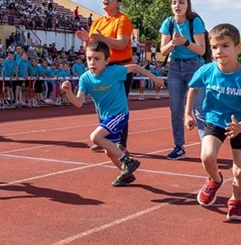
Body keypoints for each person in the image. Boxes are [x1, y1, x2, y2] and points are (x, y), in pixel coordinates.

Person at [61, 41, 166, 187]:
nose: (92, 62)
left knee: (95, 137)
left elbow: (135, 67)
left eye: (97, 59)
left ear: (107, 60)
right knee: (110, 152)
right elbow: (78, 103)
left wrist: (155, 78)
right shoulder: (85, 78)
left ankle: (128, 161)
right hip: (106, 117)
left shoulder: (114, 71)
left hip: (119, 113)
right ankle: (126, 175)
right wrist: (68, 92)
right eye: (89, 58)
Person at [185, 23, 241, 221]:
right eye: (215, 47)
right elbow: (193, 88)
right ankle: (215, 181)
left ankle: (235, 201)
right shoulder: (206, 70)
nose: (219, 51)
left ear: (238, 48)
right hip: (214, 119)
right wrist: (188, 113)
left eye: (225, 46)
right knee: (207, 156)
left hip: (240, 124)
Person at [76, 0, 135, 151]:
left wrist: (102, 38)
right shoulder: (97, 22)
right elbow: (91, 47)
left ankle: (121, 143)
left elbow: (122, 44)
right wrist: (86, 40)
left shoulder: (123, 20)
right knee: (101, 103)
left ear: (118, 3)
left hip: (120, 68)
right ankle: (104, 138)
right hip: (101, 68)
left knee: (118, 105)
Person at [158, 0, 207, 159]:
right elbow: (163, 52)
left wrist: (185, 42)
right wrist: (172, 42)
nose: (177, 6)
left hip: (194, 66)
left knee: (199, 108)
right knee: (176, 109)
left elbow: (202, 50)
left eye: (181, 2)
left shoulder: (195, 21)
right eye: (174, 3)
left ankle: (206, 147)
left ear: (188, 5)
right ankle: (179, 147)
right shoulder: (168, 23)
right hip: (175, 68)